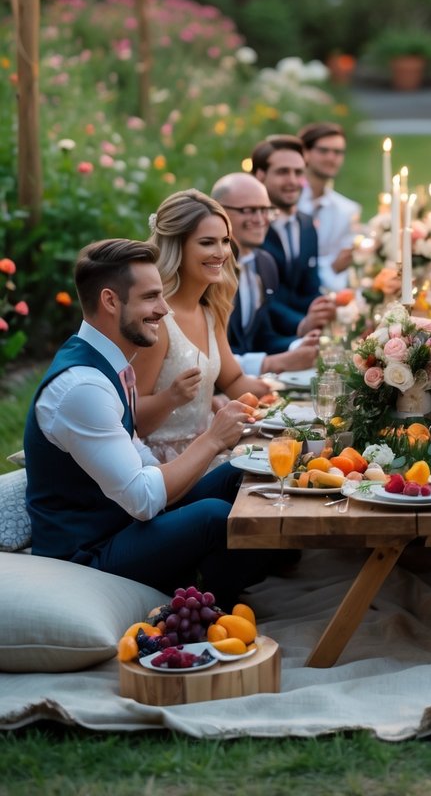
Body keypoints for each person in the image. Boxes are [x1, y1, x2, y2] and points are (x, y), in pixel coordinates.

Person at [23, 238, 270, 606]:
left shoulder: (113, 363)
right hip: (88, 552)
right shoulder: (82, 386)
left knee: (240, 474)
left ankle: (209, 581)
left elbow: (144, 461)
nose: (164, 309)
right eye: (151, 297)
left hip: (121, 525)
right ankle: (199, 602)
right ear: (110, 300)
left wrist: (216, 451)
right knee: (215, 517)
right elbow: (142, 499)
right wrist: (213, 439)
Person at [132, 190, 274, 463]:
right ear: (177, 248)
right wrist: (171, 397)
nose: (221, 253)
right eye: (207, 243)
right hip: (166, 465)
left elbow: (232, 380)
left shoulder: (209, 311)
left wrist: (283, 401)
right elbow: (132, 420)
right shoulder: (158, 321)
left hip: (212, 449)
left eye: (224, 241)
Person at [211, 171, 324, 376]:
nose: (260, 219)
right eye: (248, 210)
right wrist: (270, 363)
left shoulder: (265, 263)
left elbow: (261, 336)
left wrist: (296, 346)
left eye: (265, 210)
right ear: (218, 212)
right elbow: (209, 353)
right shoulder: (210, 269)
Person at [252, 134, 335, 331]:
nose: (293, 181)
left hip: (304, 338)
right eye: (282, 172)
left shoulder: (307, 225)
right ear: (260, 175)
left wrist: (324, 308)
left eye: (298, 172)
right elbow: (261, 300)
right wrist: (301, 324)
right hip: (263, 341)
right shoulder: (249, 229)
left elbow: (310, 287)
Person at [297, 121, 361, 291]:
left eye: (338, 152)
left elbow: (343, 264)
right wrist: (329, 267)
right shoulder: (287, 202)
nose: (331, 158)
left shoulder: (347, 210)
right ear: (305, 153)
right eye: (324, 151)